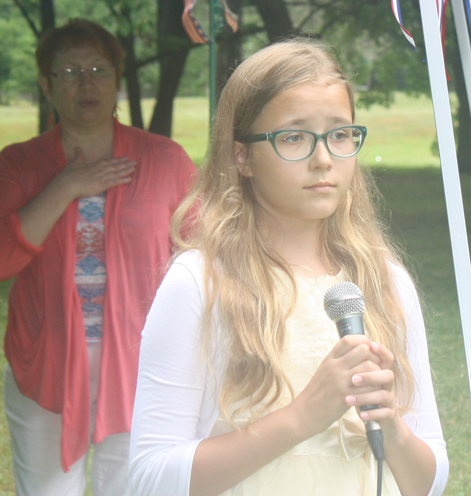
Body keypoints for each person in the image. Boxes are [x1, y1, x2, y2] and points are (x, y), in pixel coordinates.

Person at [128, 39, 449, 496]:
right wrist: (302, 417)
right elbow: (148, 478)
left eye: (339, 134)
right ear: (242, 156)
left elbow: (429, 482)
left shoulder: (385, 283)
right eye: (294, 137)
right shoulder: (200, 282)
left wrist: (391, 428)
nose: (323, 159)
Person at [0, 18, 196, 496]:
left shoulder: (165, 160)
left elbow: (203, 259)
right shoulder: (19, 164)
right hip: (46, 365)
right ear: (46, 86)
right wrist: (66, 186)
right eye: (69, 72)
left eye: (97, 68)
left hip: (143, 366)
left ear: (117, 79)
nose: (86, 82)